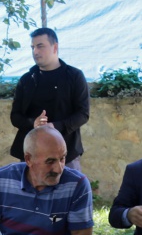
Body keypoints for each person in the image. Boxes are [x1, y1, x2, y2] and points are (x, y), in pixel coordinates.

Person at [9, 28, 90, 172]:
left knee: (70, 193)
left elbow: (83, 114)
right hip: (32, 155)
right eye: (32, 47)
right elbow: (15, 116)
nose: (35, 51)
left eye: (40, 46)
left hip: (66, 154)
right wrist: (33, 123)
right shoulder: (27, 80)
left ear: (55, 47)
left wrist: (55, 127)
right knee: (28, 194)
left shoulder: (74, 76)